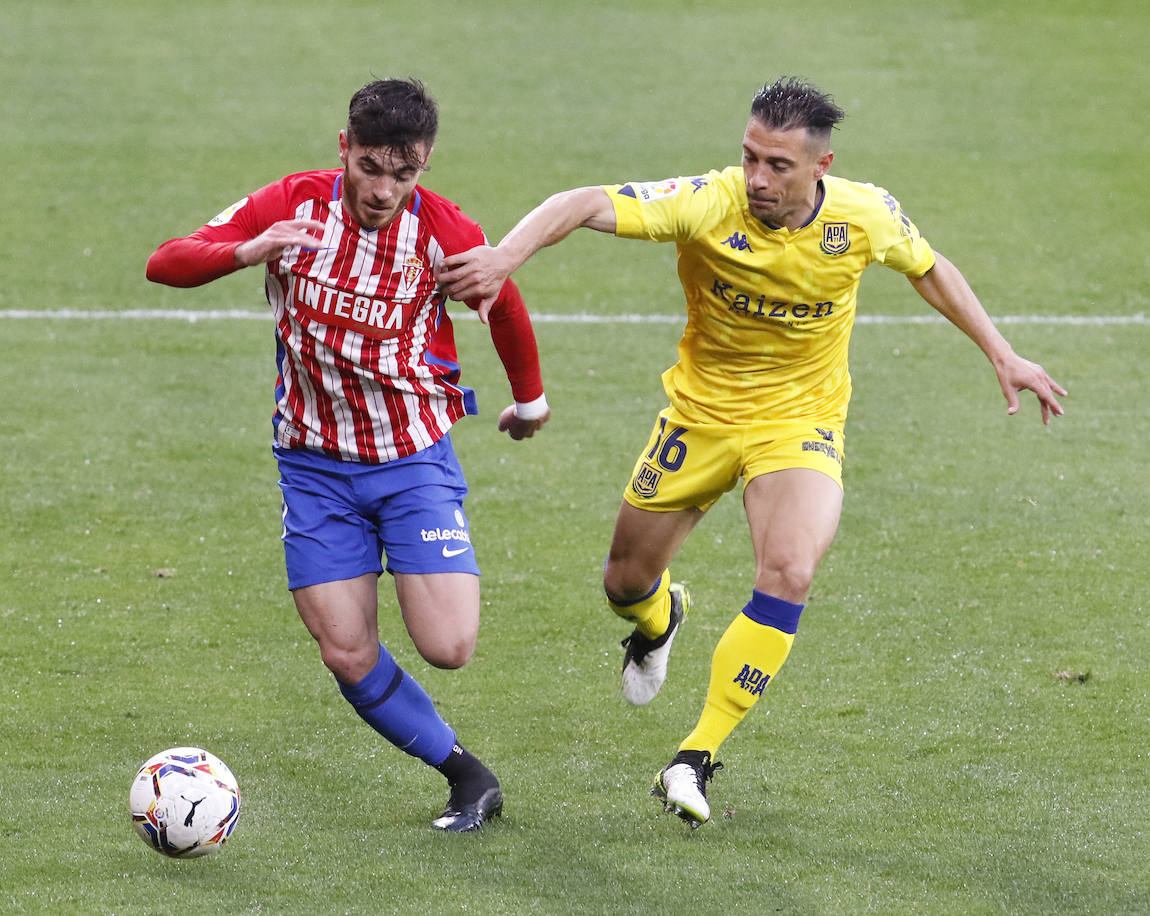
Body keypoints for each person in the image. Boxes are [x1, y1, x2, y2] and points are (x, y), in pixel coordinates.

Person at [438, 76, 1066, 830]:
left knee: (790, 570)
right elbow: (584, 203)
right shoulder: (708, 201)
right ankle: (658, 621)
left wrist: (1001, 351)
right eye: (750, 158)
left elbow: (928, 265)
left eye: (777, 166)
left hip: (799, 422)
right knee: (624, 581)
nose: (758, 178)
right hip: (699, 418)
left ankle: (694, 755)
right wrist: (506, 255)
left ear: (820, 167)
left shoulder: (865, 215)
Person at [147, 78, 550, 831]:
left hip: (409, 458)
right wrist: (249, 250)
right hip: (313, 467)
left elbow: (505, 300)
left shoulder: (442, 230)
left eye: (406, 173)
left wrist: (530, 401)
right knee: (345, 649)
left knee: (451, 646)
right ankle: (466, 775)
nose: (385, 190)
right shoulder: (291, 203)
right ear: (345, 149)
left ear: (423, 165)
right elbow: (165, 261)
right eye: (371, 167)